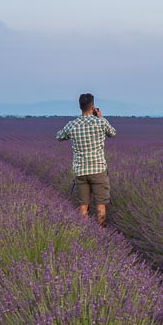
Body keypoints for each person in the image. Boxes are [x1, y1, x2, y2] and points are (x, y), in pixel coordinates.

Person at [56, 93, 117, 227]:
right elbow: (113, 133)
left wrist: (70, 136)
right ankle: (100, 233)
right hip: (98, 170)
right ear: (93, 106)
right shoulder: (101, 122)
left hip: (81, 171)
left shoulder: (72, 125)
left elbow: (58, 137)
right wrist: (100, 117)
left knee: (83, 207)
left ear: (80, 106)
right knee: (100, 206)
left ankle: (84, 234)